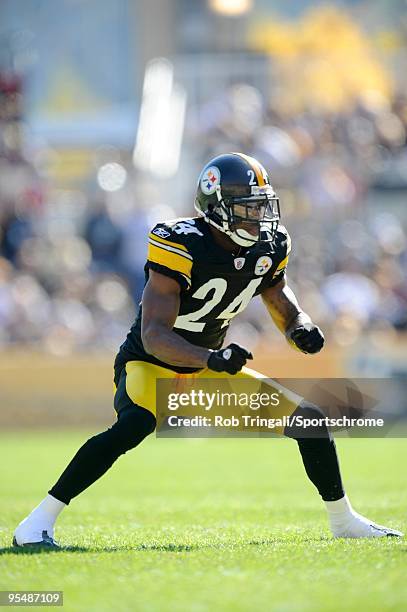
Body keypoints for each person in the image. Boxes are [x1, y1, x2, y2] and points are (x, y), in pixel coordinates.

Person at [13, 152, 402, 548]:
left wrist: (298, 325)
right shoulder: (179, 242)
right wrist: (211, 358)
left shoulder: (268, 245)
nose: (258, 218)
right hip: (151, 365)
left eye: (261, 207)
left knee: (310, 421)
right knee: (134, 426)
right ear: (216, 209)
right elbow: (154, 335)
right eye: (247, 208)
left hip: (206, 368)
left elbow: (276, 292)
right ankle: (37, 521)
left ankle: (343, 519)